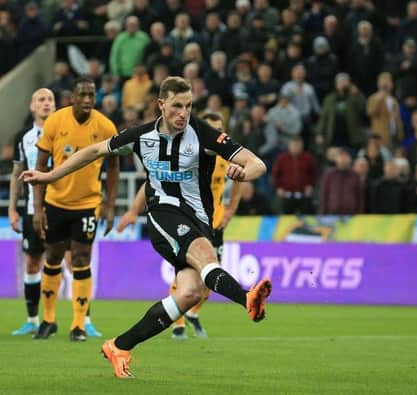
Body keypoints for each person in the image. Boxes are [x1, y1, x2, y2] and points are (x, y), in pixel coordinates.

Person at [22, 77, 271, 378]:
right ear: (161, 105)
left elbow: (257, 163)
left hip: (198, 221)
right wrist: (49, 177)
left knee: (191, 292)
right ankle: (247, 298)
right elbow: (93, 152)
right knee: (207, 258)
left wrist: (243, 173)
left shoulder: (204, 135)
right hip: (164, 216)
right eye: (177, 106)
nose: (184, 113)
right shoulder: (140, 136)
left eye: (189, 106)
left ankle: (119, 346)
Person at [117, 110, 244, 341]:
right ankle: (177, 323)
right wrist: (134, 211)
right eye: (212, 128)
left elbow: (240, 181)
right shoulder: (192, 154)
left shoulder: (225, 157)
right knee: (191, 274)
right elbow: (152, 180)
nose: (216, 133)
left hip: (214, 224)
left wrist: (231, 209)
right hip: (189, 222)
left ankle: (192, 313)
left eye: (219, 128)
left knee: (210, 280)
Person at [30, 78, 118, 341]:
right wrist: (37, 208)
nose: (88, 100)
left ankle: (78, 324)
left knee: (81, 258)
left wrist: (110, 205)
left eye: (92, 95)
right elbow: (41, 166)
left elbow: (113, 167)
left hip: (88, 204)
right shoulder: (56, 122)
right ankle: (48, 320)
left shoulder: (105, 126)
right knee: (54, 256)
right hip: (56, 202)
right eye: (83, 95)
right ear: (72, 98)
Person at [8, 89, 55, 335]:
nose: (46, 104)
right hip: (30, 209)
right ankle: (33, 319)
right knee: (33, 261)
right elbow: (17, 174)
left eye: (50, 100)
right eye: (41, 100)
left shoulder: (64, 132)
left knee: (70, 260)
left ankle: (81, 321)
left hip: (61, 206)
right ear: (32, 106)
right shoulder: (24, 138)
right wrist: (12, 208)